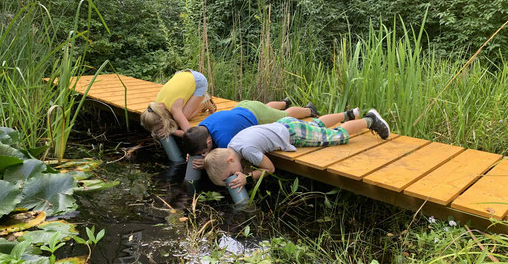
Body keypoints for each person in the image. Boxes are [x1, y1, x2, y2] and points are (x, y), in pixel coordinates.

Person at [204, 109, 390, 191]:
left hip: (293, 134)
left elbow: (270, 169)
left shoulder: (248, 151)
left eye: (232, 173)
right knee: (316, 125)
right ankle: (347, 114)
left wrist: (248, 177)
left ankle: (370, 120)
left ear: (230, 160)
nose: (236, 175)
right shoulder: (231, 147)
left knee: (335, 136)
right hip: (282, 124)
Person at [183, 99, 349, 169]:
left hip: (256, 116)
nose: (203, 155)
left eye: (203, 152)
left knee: (286, 115)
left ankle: (309, 109)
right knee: (267, 107)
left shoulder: (225, 140)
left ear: (209, 141)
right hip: (245, 107)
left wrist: (206, 162)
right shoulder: (202, 126)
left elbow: (226, 159)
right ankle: (284, 102)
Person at [140, 69, 215, 139]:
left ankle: (205, 102)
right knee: (179, 116)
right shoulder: (155, 106)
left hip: (198, 81)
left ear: (161, 119)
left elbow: (191, 134)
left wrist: (171, 131)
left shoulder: (174, 110)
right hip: (182, 76)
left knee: (185, 116)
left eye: (160, 128)